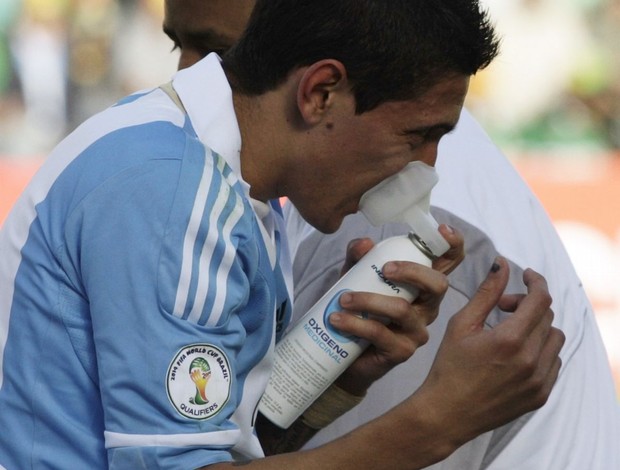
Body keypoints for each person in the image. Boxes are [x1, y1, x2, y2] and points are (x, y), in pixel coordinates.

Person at [0, 1, 565, 469]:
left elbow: (228, 450)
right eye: (417, 135)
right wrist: (439, 421)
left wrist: (338, 373)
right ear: (320, 92)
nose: (426, 168)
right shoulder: (174, 194)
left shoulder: (229, 185)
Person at [162, 1, 620, 469]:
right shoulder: (211, 181)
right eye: (179, 45)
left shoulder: (379, 194)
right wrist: (347, 386)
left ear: (319, 83)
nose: (188, 82)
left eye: (223, 54)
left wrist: (431, 419)